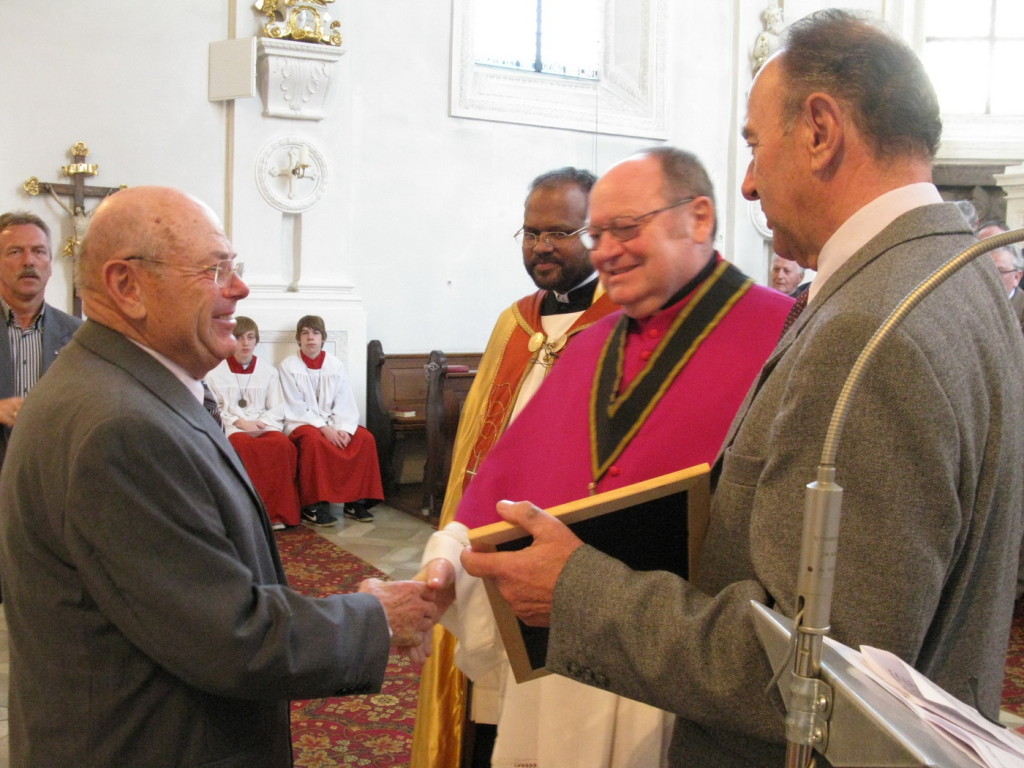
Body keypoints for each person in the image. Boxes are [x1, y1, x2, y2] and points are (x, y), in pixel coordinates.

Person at [459, 11, 1024, 767]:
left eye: (755, 145)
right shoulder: (957, 277)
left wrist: (577, 590)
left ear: (820, 130)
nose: (749, 182)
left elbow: (812, 675)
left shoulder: (867, 328)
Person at [0, 186, 437, 768]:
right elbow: (230, 637)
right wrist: (377, 618)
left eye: (236, 267)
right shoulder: (121, 425)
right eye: (214, 269)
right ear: (127, 286)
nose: (239, 288)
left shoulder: (119, 386)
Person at [423, 146, 793, 768]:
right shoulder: (591, 347)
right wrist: (448, 568)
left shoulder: (783, 334)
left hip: (685, 663)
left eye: (626, 229)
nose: (604, 252)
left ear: (698, 219)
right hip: (566, 658)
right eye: (597, 234)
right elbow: (502, 488)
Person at [411, 166, 618, 768]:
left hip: (566, 544)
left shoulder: (622, 323)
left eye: (560, 232)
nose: (542, 247)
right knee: (485, 702)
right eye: (530, 233)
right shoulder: (514, 321)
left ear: (597, 233)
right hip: (487, 536)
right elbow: (480, 439)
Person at [279, 314, 384, 525]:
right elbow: (294, 405)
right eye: (305, 333)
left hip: (332, 421)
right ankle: (313, 505)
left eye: (315, 333)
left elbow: (344, 401)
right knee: (314, 441)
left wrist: (343, 427)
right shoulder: (288, 365)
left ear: (323, 338)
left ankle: (354, 501)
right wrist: (324, 429)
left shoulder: (334, 365)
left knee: (363, 438)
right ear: (298, 339)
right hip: (301, 422)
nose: (310, 338)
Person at [0, 211, 81, 469]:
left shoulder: (79, 337)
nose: (29, 261)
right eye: (15, 252)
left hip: (51, 482)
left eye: (39, 251)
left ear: (50, 265)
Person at [206, 315, 301, 529]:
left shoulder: (268, 372)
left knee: (281, 445)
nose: (245, 343)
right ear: (229, 340)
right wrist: (239, 422)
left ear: (256, 341)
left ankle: (277, 514)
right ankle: (247, 516)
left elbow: (277, 406)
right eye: (239, 338)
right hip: (233, 426)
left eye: (250, 337)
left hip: (262, 424)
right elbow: (214, 408)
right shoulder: (214, 372)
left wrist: (260, 422)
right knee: (242, 446)